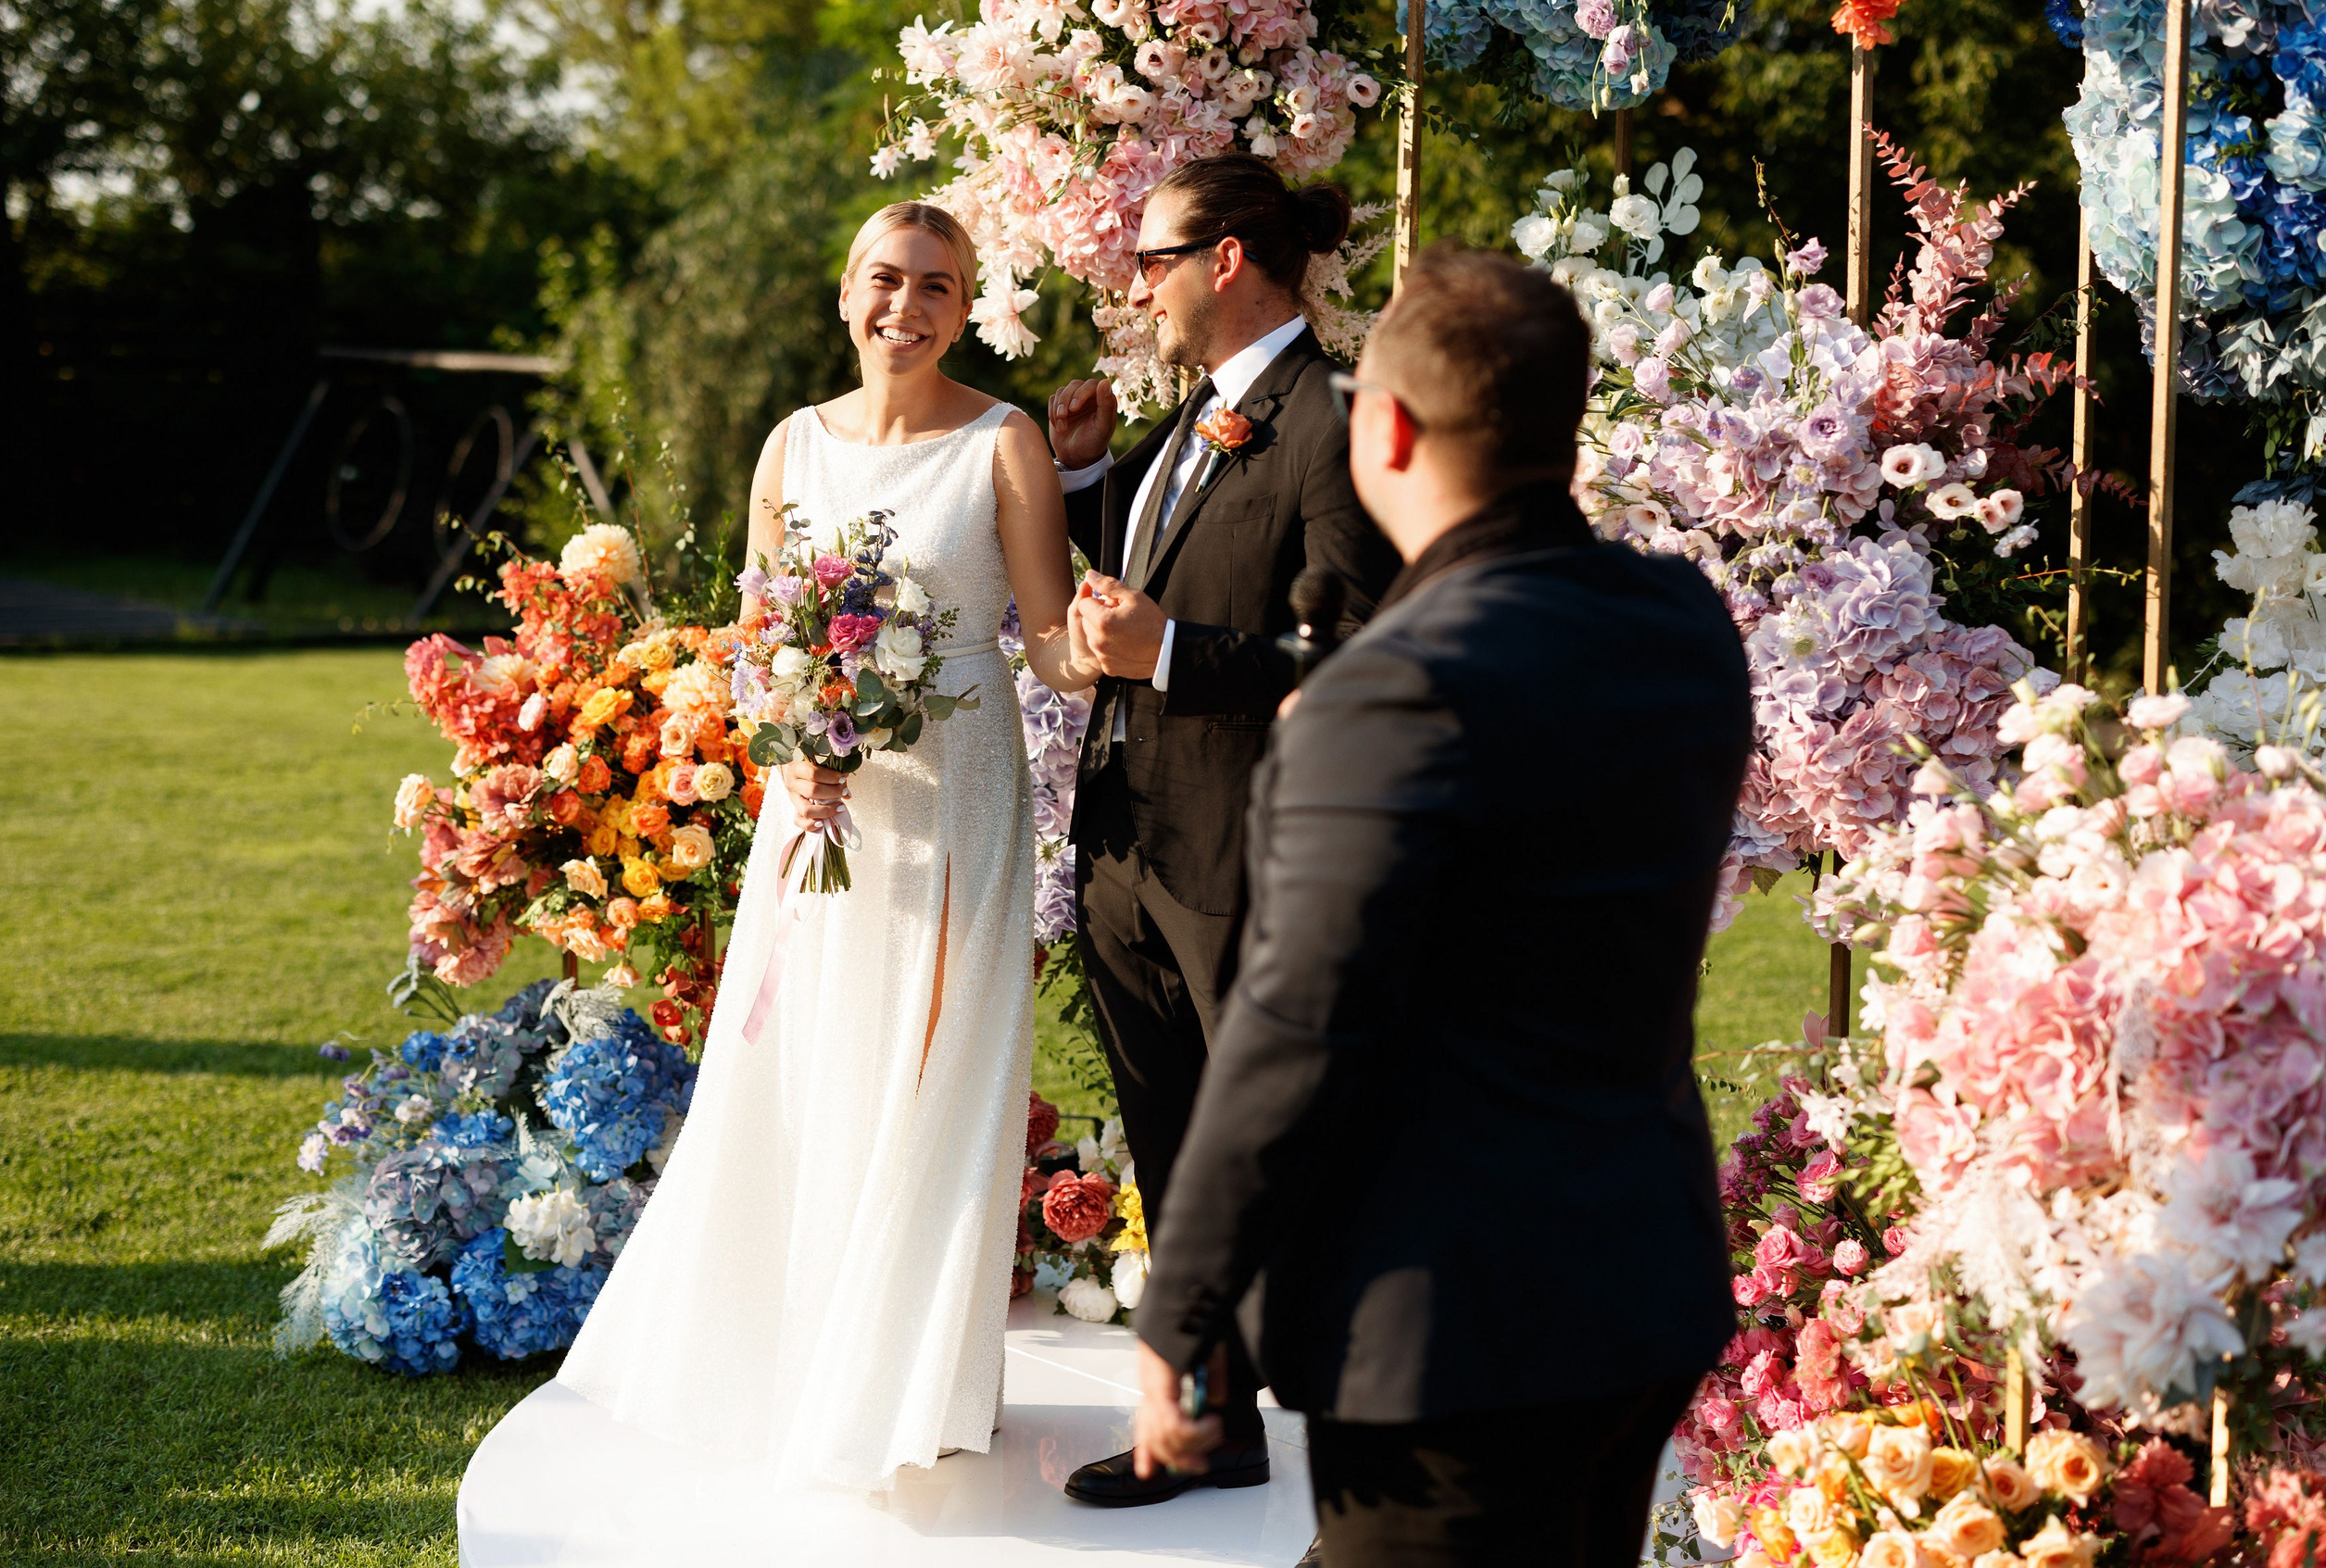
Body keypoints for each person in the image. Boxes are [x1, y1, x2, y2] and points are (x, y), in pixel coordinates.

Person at [1124, 246, 1751, 1566]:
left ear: (1387, 426)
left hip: (1451, 1325)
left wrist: (1182, 1313)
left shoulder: (1388, 691)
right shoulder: (1683, 626)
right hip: (1639, 1275)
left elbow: (1297, 1023)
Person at [553, 202, 1101, 1490]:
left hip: (956, 794)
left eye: (938, 287)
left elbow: (1058, 645)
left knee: (933, 1073)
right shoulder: (792, 446)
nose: (906, 308)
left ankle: (912, 1384)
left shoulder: (1003, 442)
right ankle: (798, 1355)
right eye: (885, 280)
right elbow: (756, 644)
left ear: (966, 308)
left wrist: (1134, 582)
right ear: (845, 291)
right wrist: (785, 744)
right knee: (814, 1065)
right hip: (819, 809)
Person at [1044, 153, 1401, 1508]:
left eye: (1153, 258)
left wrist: (1177, 652)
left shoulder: (1330, 420)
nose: (1138, 283)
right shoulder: (1188, 419)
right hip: (1130, 844)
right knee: (1171, 1143)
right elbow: (1138, 577)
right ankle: (1207, 1427)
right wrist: (1087, 483)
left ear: (1229, 258)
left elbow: (1362, 648)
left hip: (1245, 855)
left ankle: (1386, 1453)